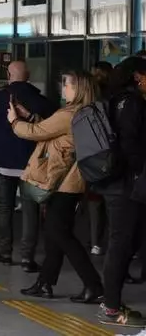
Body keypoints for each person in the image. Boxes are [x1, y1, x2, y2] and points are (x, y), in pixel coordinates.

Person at [15, 70, 104, 304]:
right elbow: (53, 132)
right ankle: (45, 282)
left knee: (60, 233)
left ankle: (94, 285)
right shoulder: (89, 111)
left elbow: (36, 133)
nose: (63, 89)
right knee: (55, 233)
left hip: (64, 182)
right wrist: (30, 116)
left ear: (78, 88)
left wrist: (14, 121)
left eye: (67, 85)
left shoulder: (69, 114)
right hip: (75, 180)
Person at [0, 59, 56, 271]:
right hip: (32, 164)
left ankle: (5, 253)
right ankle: (26, 258)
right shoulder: (43, 102)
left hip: (2, 163)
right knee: (31, 210)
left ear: (8, 76)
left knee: (4, 208)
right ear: (28, 76)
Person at [92, 57, 146, 327]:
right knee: (120, 243)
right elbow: (131, 145)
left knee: (126, 241)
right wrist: (139, 169)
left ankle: (112, 303)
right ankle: (111, 308)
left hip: (116, 181)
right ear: (138, 76)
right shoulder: (132, 102)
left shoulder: (113, 100)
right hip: (126, 183)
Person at [89, 61, 115, 257]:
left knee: (95, 202)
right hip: (112, 154)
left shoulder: (91, 101)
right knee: (113, 203)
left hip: (94, 155)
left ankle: (96, 241)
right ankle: (112, 241)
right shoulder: (118, 98)